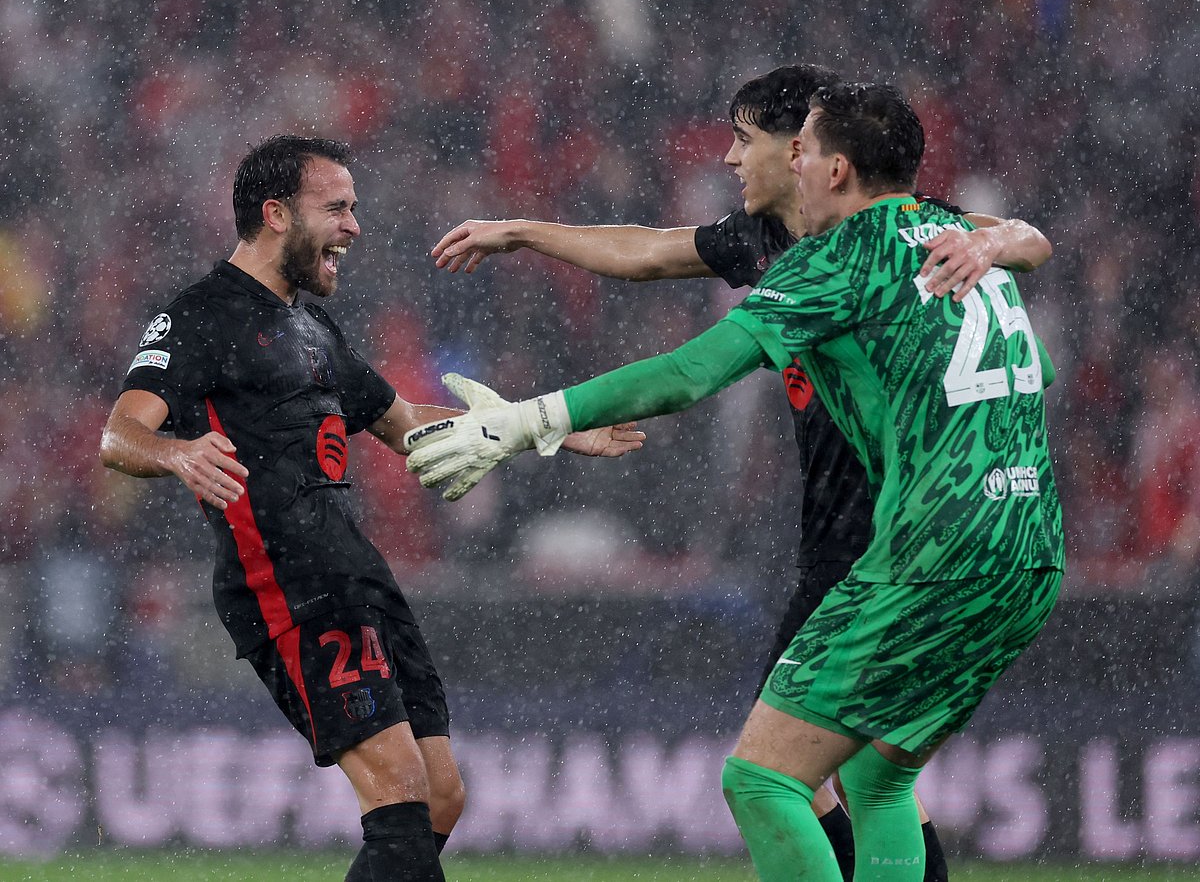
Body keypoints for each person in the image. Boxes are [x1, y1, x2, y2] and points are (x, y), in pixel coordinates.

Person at [405, 83, 1064, 881]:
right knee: (877, 775)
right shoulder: (955, 237)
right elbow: (1032, 361)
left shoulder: (837, 256)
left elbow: (689, 373)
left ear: (833, 168)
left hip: (924, 553)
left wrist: (524, 420)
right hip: (1028, 550)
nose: (784, 160)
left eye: (802, 149)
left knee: (760, 777)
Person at [98, 135, 644, 882]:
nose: (354, 227)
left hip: (355, 571)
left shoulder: (314, 328)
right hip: (285, 581)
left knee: (442, 799)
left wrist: (546, 425)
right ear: (276, 214)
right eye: (338, 209)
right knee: (401, 801)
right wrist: (177, 452)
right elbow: (120, 432)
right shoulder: (203, 314)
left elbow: (402, 422)